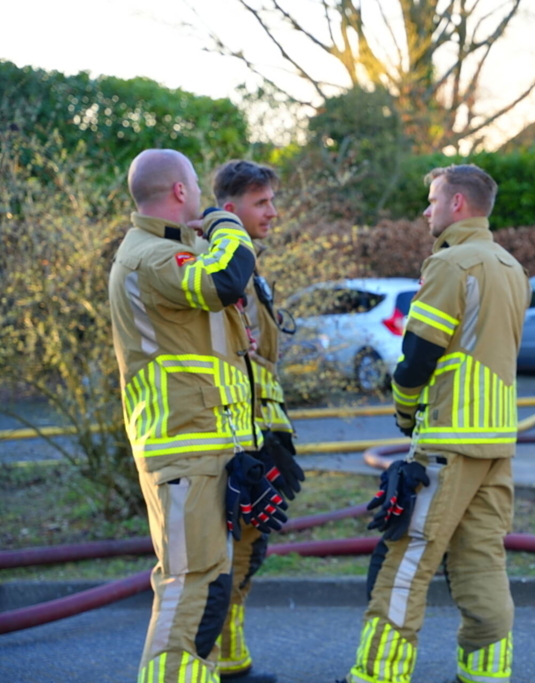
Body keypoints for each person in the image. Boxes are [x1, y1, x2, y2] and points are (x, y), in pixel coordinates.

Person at [345, 164, 530, 683]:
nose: (426, 211)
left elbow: (418, 357)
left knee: (409, 560)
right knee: (482, 560)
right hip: (497, 443)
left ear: (458, 205)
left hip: (448, 440)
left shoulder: (450, 265)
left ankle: (378, 674)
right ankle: (487, 673)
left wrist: (404, 411)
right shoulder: (512, 268)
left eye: (432, 200)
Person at [109, 149, 286, 682]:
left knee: (209, 587)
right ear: (182, 193)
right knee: (190, 589)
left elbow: (240, 356)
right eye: (201, 193)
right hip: (181, 450)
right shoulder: (151, 257)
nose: (209, 206)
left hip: (210, 449)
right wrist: (229, 224)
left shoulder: (177, 252)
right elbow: (223, 282)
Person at [211, 160, 305, 683]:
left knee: (248, 557)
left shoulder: (250, 273)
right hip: (236, 445)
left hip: (260, 438)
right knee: (229, 563)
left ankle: (233, 662)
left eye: (272, 200)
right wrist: (243, 451)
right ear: (229, 211)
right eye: (261, 202)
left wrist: (273, 441)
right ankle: (225, 666)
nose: (273, 211)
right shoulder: (221, 274)